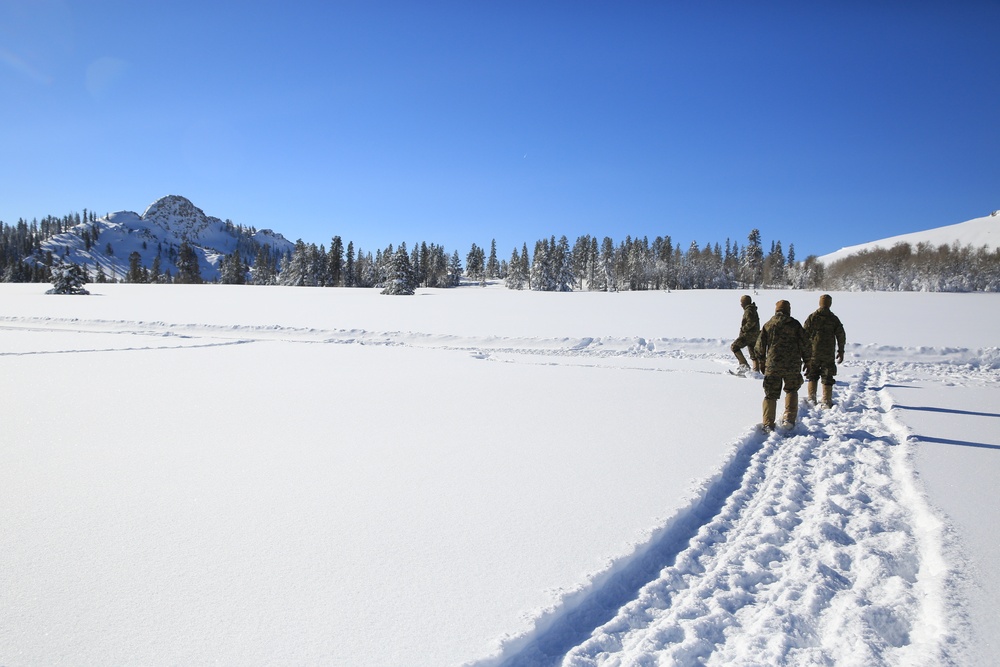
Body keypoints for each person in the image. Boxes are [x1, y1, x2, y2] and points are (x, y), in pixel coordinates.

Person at [754, 300, 809, 431]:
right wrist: (808, 361)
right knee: (791, 390)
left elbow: (759, 347)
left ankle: (768, 423)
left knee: (770, 394)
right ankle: (789, 419)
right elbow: (806, 345)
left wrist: (761, 361)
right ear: (788, 310)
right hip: (792, 365)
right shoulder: (795, 325)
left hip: (773, 366)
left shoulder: (769, 325)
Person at [803, 294, 847, 408]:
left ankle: (811, 398)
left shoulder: (812, 317)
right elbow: (841, 335)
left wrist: (804, 351)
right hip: (828, 354)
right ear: (830, 304)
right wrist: (841, 351)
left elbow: (804, 335)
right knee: (827, 377)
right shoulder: (833, 319)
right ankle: (826, 401)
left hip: (813, 353)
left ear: (820, 303)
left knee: (812, 375)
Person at [730, 295, 760, 373]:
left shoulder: (749, 310)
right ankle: (756, 371)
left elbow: (751, 322)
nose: (740, 304)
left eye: (741, 302)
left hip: (748, 335)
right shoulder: (752, 309)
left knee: (734, 347)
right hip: (755, 335)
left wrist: (743, 329)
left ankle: (744, 366)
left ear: (745, 302)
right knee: (753, 353)